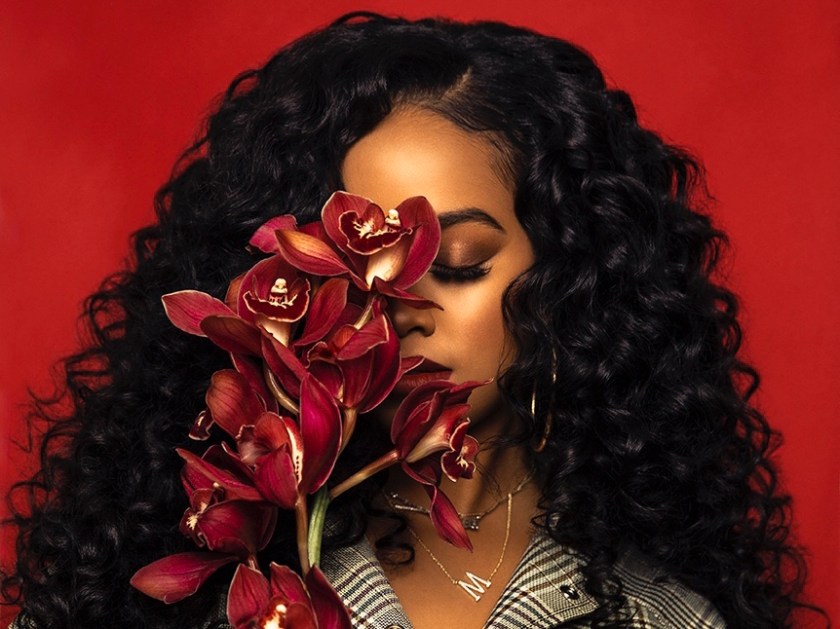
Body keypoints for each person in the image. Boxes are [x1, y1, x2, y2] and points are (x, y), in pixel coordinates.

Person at [1, 12, 822, 629]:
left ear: (571, 277)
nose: (404, 310)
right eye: (350, 268)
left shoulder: (663, 617)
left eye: (458, 263)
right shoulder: (175, 596)